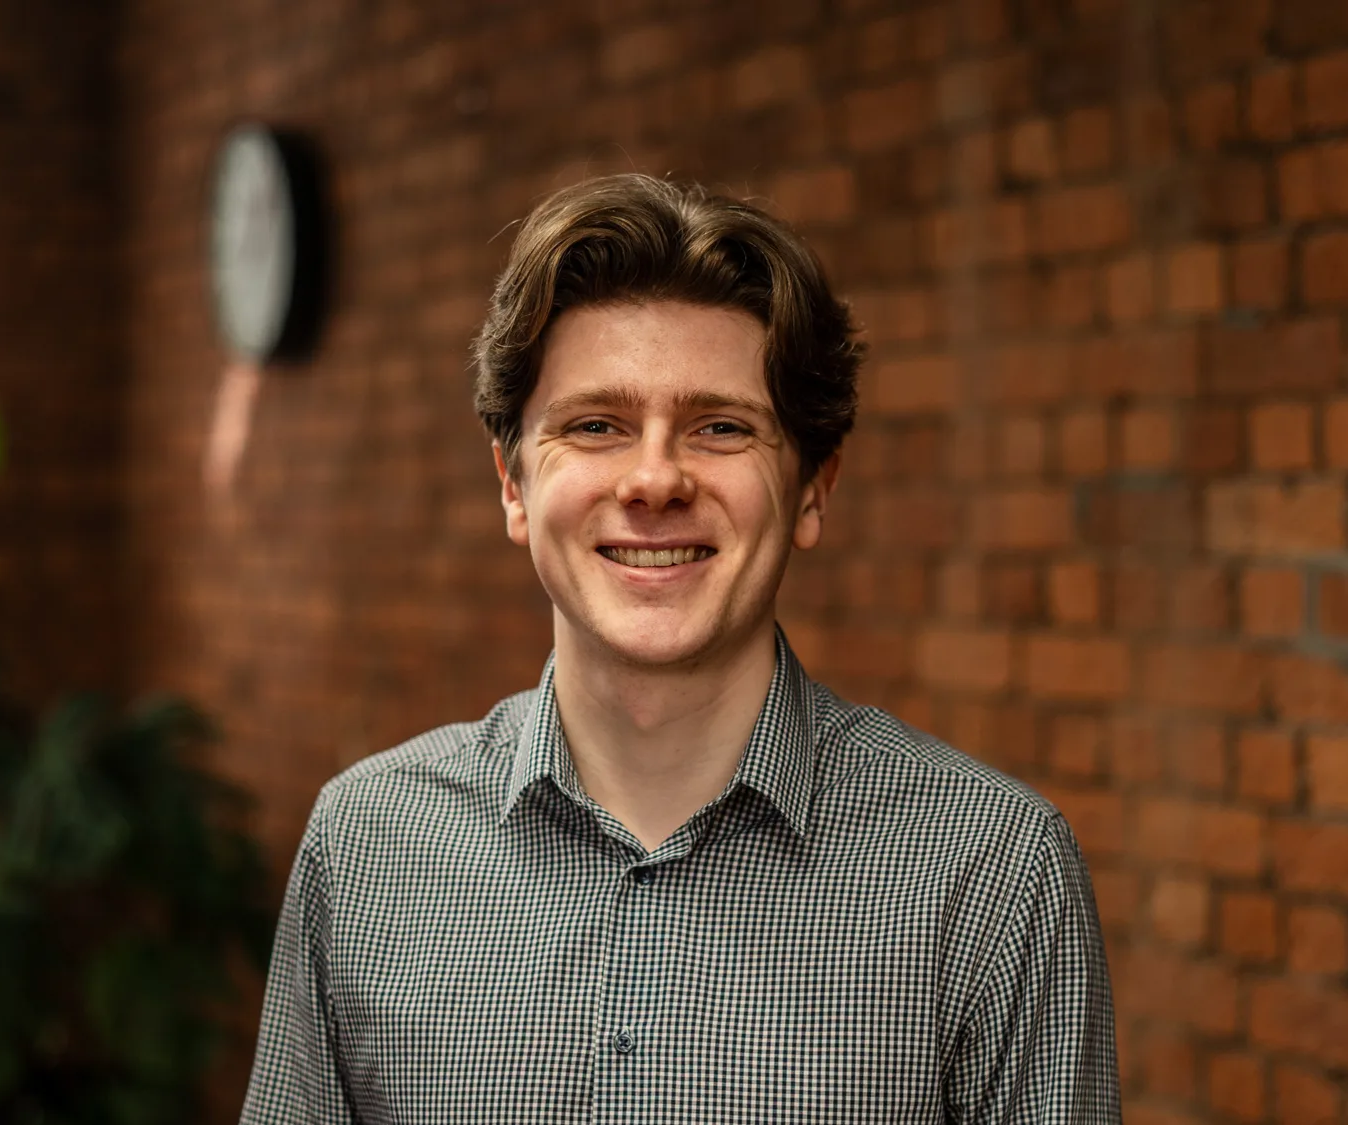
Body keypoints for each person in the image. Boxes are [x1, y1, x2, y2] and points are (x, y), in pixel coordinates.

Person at [240, 173, 1120, 1124]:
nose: (655, 478)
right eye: (596, 426)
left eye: (721, 427)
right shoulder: (368, 845)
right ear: (514, 484)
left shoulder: (990, 874)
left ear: (815, 489)